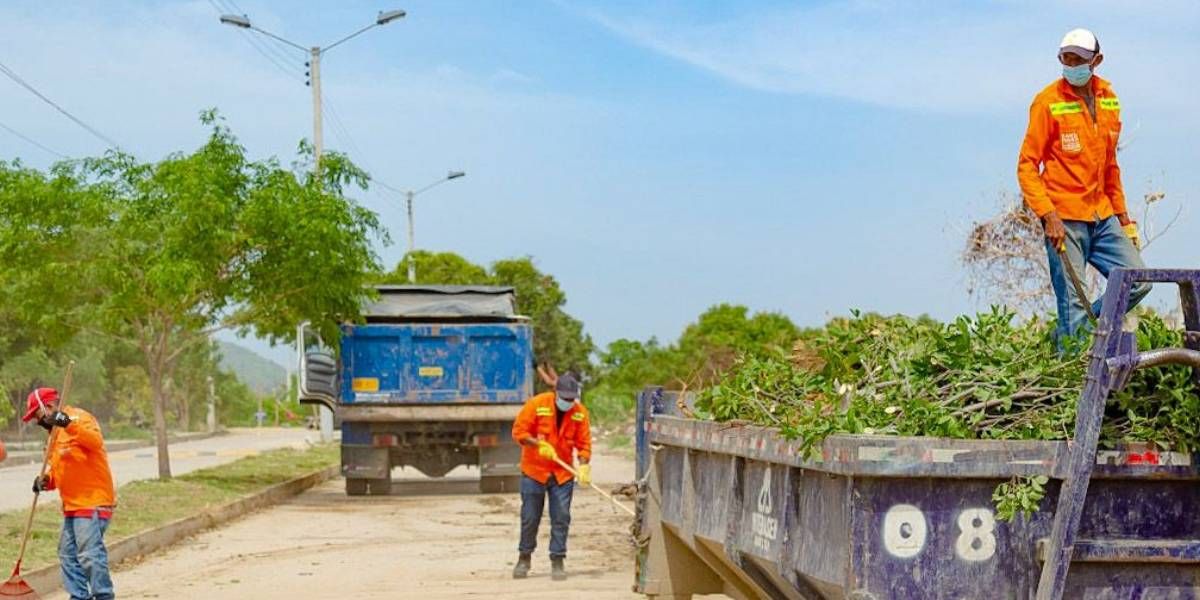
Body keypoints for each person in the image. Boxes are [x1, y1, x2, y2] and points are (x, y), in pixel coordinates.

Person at [1017, 28, 1150, 348]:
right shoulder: (1047, 102)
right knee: (1072, 304)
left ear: (1096, 61)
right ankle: (1071, 373)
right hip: (1064, 218)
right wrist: (1048, 215)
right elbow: (1026, 166)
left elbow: (1110, 169)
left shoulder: (1109, 101)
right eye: (1066, 58)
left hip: (1102, 214)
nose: (1070, 64)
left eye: (1078, 59)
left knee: (1138, 281)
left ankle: (1072, 333)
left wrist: (1125, 221)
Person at [23, 387, 116, 600]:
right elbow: (59, 471)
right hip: (72, 506)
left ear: (47, 407)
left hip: (92, 501)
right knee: (67, 556)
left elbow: (95, 442)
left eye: (36, 415)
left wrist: (67, 422)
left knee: (90, 556)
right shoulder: (54, 435)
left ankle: (103, 596)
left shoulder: (79, 418)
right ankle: (79, 597)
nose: (37, 421)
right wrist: (45, 481)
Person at [510, 371, 592, 581]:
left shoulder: (580, 413)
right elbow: (519, 432)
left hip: (562, 474)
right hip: (534, 471)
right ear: (556, 393)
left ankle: (558, 560)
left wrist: (583, 466)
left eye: (571, 399)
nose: (568, 402)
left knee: (561, 517)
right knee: (530, 517)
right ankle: (524, 558)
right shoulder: (536, 404)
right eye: (564, 398)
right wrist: (539, 445)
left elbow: (584, 445)